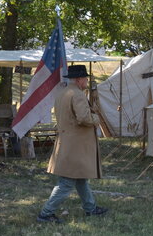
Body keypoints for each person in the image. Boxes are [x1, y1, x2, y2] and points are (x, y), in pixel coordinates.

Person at [37, 64, 108, 223]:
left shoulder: (62, 92)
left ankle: (90, 208)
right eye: (85, 79)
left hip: (68, 142)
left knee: (81, 178)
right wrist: (96, 118)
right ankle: (46, 213)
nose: (86, 81)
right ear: (78, 79)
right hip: (75, 145)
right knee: (67, 182)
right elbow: (84, 118)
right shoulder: (77, 95)